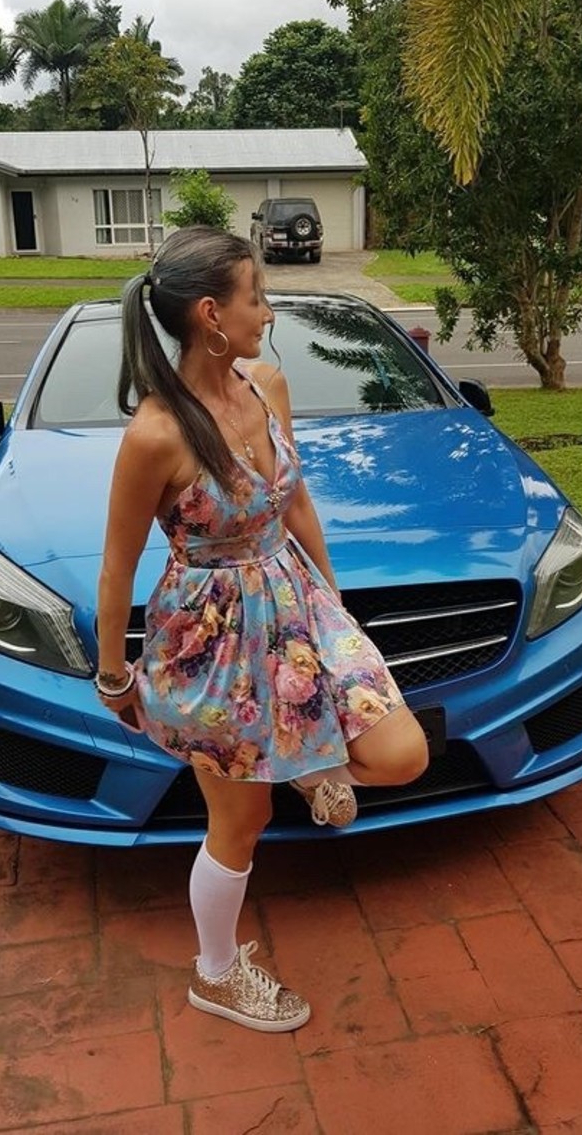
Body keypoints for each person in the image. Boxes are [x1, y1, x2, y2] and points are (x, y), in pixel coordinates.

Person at [95, 226, 429, 1033]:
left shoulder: (268, 384)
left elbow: (295, 498)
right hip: (212, 639)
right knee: (241, 823)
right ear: (211, 315)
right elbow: (116, 567)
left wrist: (334, 602)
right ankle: (215, 974)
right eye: (258, 297)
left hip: (295, 604)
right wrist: (113, 677)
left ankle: (308, 768)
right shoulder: (156, 436)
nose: (269, 313)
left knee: (402, 754)